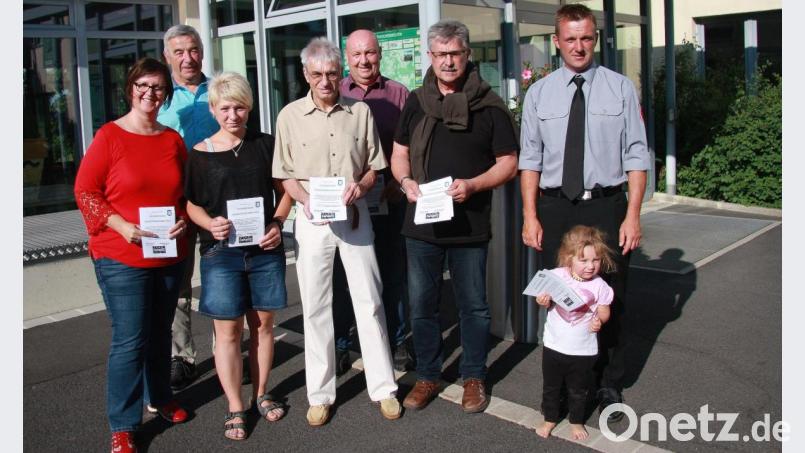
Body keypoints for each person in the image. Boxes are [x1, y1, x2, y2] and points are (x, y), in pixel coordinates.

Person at [518, 3, 651, 423]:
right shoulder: (539, 93)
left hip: (606, 206)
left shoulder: (620, 88)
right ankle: (562, 381)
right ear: (556, 41)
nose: (579, 46)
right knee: (561, 295)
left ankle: (608, 382)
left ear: (596, 39)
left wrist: (632, 214)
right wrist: (530, 214)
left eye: (586, 38)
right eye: (570, 38)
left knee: (610, 293)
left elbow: (636, 154)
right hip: (555, 206)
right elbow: (530, 160)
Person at [390, 19, 519, 414]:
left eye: (455, 54)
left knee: (473, 306)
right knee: (421, 306)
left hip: (470, 225)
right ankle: (428, 374)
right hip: (421, 226)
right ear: (430, 56)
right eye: (441, 54)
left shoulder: (489, 105)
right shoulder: (416, 100)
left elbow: (509, 163)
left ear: (467, 55)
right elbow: (398, 153)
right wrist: (406, 181)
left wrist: (474, 186)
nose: (448, 61)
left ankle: (474, 376)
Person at [272, 37, 401, 426]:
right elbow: (285, 174)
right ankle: (321, 393)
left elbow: (374, 166)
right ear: (305, 75)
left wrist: (361, 187)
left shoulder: (359, 112)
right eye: (317, 74)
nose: (325, 81)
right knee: (315, 306)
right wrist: (303, 200)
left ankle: (384, 388)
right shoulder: (289, 116)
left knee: (370, 301)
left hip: (355, 215)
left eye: (331, 73)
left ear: (339, 73)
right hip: (312, 220)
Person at [74, 57, 190, 453]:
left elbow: (181, 196)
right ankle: (123, 425)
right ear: (130, 88)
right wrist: (122, 226)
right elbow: (86, 192)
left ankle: (158, 396)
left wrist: (182, 222)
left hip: (168, 252)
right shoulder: (109, 136)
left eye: (158, 87)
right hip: (121, 255)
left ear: (166, 93)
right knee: (130, 339)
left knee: (161, 332)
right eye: (143, 85)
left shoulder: (172, 139)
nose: (150, 93)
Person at [184, 72, 292, 441]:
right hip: (220, 254)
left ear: (249, 108)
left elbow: (286, 190)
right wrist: (209, 223)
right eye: (226, 108)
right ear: (214, 110)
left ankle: (262, 393)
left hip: (264, 249)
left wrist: (278, 222)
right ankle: (234, 404)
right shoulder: (198, 154)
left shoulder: (266, 144)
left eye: (240, 107)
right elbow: (190, 204)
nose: (233, 115)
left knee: (263, 327)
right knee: (228, 333)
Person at [332, 28, 413, 375]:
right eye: (356, 55)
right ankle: (340, 343)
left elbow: (412, 146)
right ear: (346, 58)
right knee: (343, 277)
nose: (364, 61)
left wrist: (400, 182)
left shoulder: (399, 94)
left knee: (393, 273)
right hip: (347, 202)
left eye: (370, 53)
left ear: (380, 54)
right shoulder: (333, 92)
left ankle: (397, 341)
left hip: (390, 197)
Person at [158, 24, 221, 391]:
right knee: (178, 284)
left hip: (216, 201)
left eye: (193, 49)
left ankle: (226, 348)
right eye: (179, 51)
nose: (188, 57)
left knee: (220, 278)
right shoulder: (159, 98)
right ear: (168, 57)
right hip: (175, 204)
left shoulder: (220, 90)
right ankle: (181, 356)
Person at [534, 225, 614, 440]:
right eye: (584, 260)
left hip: (583, 350)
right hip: (554, 345)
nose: (590, 266)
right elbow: (541, 297)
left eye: (595, 260)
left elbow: (604, 310)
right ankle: (549, 418)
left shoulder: (600, 286)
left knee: (579, 389)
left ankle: (576, 421)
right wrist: (543, 300)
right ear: (568, 258)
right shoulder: (555, 276)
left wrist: (600, 320)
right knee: (551, 387)